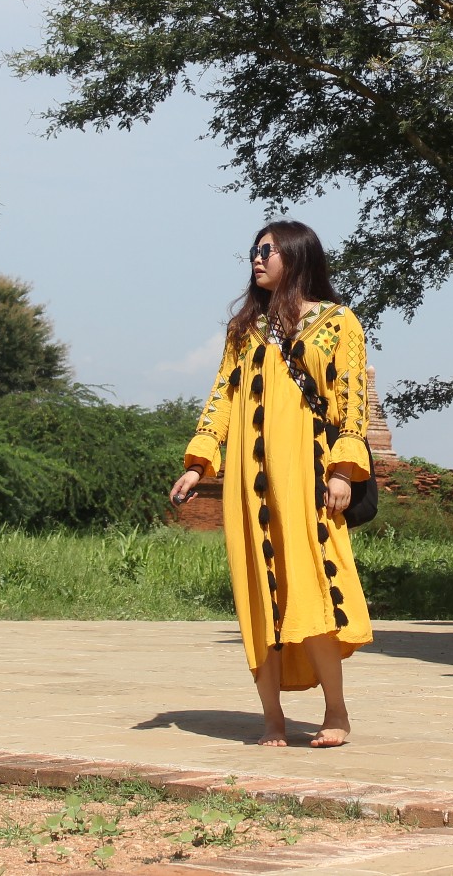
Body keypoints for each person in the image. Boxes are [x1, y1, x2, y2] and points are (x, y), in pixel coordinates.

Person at [169, 220, 374, 747]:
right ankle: (272, 720)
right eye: (254, 252)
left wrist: (342, 470)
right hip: (249, 482)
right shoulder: (246, 330)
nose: (257, 260)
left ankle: (337, 714)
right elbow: (222, 397)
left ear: (297, 257)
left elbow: (351, 404)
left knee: (315, 591)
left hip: (307, 474)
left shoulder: (338, 323)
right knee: (259, 596)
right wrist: (199, 463)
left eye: (268, 251)